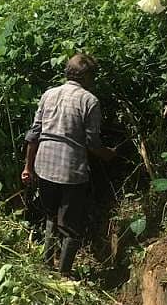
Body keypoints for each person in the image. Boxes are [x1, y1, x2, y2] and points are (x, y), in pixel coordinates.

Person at [22, 53, 114, 277]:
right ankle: (63, 276)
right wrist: (109, 154)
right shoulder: (89, 101)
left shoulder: (49, 94)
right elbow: (92, 143)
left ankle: (46, 267)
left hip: (44, 165)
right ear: (88, 77)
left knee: (51, 217)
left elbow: (34, 134)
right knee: (71, 227)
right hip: (71, 170)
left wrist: (28, 166)